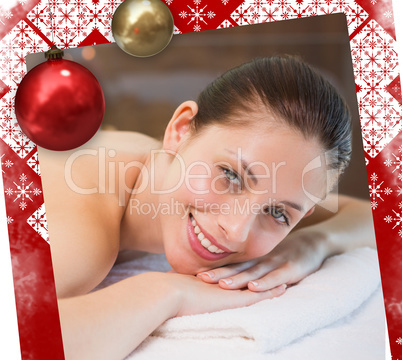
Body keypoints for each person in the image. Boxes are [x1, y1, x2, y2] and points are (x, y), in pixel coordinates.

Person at [37, 55, 376, 360]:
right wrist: (167, 291)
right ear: (181, 130)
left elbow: (373, 216)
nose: (237, 229)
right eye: (230, 175)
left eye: (278, 213)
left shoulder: (171, 166)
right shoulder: (81, 231)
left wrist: (310, 244)